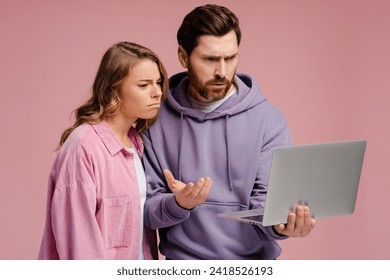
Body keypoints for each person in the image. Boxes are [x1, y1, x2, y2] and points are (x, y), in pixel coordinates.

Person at [142, 4, 316, 260]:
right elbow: (146, 210)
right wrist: (178, 204)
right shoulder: (155, 119)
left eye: (230, 58)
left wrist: (283, 225)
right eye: (210, 59)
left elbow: (268, 207)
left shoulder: (269, 121)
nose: (222, 72)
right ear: (183, 56)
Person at [38, 41, 168, 260]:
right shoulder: (84, 146)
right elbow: (79, 245)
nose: (157, 93)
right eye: (144, 85)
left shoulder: (136, 143)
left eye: (158, 82)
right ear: (114, 89)